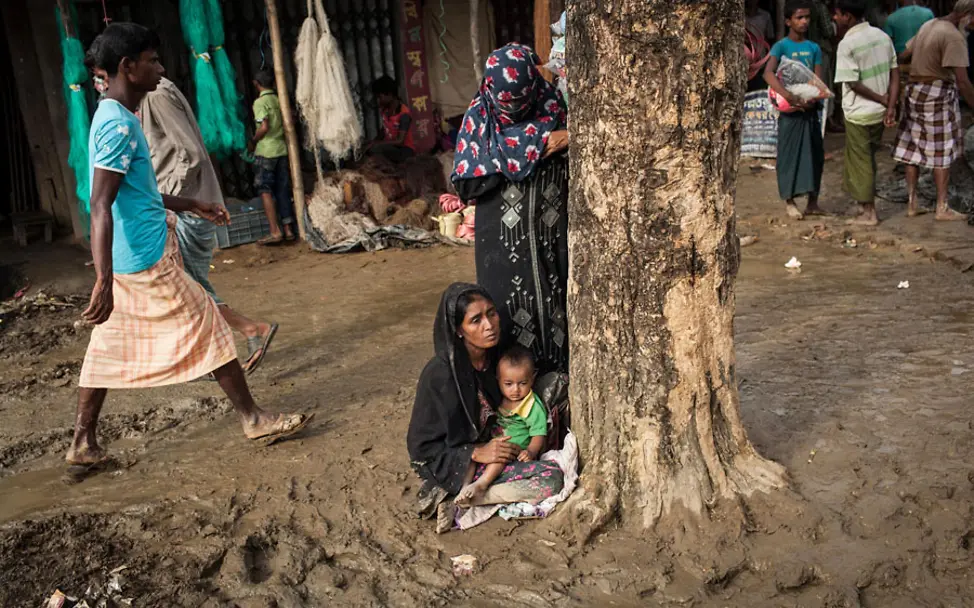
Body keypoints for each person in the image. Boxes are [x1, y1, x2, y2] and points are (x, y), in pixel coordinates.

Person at [69, 23, 310, 476]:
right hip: (143, 258)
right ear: (128, 67)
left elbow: (137, 192)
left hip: (132, 256)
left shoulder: (117, 115)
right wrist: (102, 278)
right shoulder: (117, 125)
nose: (160, 69)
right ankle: (254, 418)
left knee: (107, 342)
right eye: (152, 60)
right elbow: (100, 204)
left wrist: (191, 203)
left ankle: (84, 441)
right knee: (210, 322)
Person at [139, 77, 279, 373]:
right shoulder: (155, 92)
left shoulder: (156, 94)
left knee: (186, 288)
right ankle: (223, 346)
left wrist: (172, 198)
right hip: (186, 206)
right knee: (187, 287)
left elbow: (189, 153)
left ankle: (248, 331)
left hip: (185, 209)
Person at [407, 284, 564, 532]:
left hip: (503, 453)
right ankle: (471, 494)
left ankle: (474, 497)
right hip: (463, 462)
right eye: (476, 320)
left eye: (491, 313)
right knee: (553, 479)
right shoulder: (439, 376)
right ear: (459, 330)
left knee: (554, 476)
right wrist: (475, 452)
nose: (489, 325)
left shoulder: (500, 358)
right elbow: (421, 449)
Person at [452, 43, 570, 375]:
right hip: (502, 248)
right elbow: (467, 183)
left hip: (551, 239)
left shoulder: (552, 106)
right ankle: (515, 404)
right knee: (507, 320)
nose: (512, 110)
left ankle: (559, 400)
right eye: (506, 103)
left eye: (519, 101)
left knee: (557, 315)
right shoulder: (479, 120)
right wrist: (538, 145)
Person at [894, 1, 974, 221]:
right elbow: (963, 82)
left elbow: (904, 55)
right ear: (966, 16)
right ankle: (942, 207)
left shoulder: (929, 25)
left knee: (912, 149)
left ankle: (912, 203)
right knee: (942, 150)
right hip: (936, 92)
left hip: (914, 91)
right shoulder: (954, 37)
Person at [834, 0, 899, 226]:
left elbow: (852, 83)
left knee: (861, 161)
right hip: (880, 112)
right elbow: (895, 74)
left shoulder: (847, 44)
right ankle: (865, 207)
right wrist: (889, 105)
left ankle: (869, 213)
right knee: (868, 157)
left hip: (859, 112)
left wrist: (882, 99)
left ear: (848, 16)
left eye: (838, 14)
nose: (835, 18)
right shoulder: (882, 36)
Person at [456, 345, 547, 504]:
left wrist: (531, 452)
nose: (516, 390)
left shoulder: (532, 405)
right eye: (509, 384)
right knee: (472, 451)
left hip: (514, 448)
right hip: (494, 442)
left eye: (522, 383)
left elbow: (539, 433)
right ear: (498, 379)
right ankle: (465, 486)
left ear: (532, 379)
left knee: (500, 457)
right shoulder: (498, 398)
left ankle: (481, 484)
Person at [765, 1, 827, 220]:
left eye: (807, 17)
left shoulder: (814, 48)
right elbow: (768, 73)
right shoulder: (781, 47)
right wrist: (789, 96)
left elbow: (817, 78)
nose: (804, 22)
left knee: (814, 155)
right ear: (788, 21)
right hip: (790, 111)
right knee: (789, 155)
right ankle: (790, 201)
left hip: (809, 109)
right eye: (799, 18)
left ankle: (813, 202)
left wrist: (812, 95)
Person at [248, 69, 296, 245]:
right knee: (282, 190)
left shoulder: (260, 102)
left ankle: (275, 231)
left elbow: (264, 126)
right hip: (282, 150)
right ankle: (289, 229)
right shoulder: (279, 100)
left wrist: (253, 141)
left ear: (256, 84)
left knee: (265, 190)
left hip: (266, 151)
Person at [369, 75, 416, 164]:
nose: (378, 100)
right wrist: (372, 141)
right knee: (371, 148)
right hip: (392, 148)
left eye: (379, 97)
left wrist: (377, 144)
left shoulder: (404, 113)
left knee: (376, 149)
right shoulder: (385, 110)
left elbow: (400, 141)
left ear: (390, 94)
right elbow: (385, 129)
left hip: (405, 151)